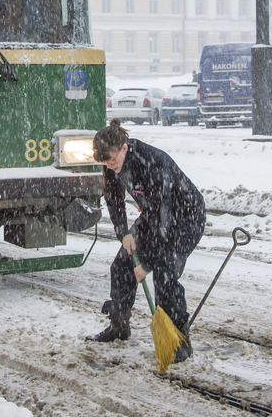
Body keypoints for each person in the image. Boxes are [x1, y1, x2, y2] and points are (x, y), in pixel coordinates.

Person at [86, 119, 205, 364]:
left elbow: (164, 225)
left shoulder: (153, 163)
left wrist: (146, 264)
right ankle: (119, 326)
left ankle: (179, 342)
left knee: (165, 275)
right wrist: (124, 233)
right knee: (121, 266)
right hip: (153, 216)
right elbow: (114, 198)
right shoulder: (111, 164)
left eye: (111, 159)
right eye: (104, 162)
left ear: (124, 148)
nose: (109, 166)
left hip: (184, 219)